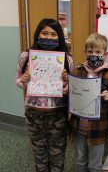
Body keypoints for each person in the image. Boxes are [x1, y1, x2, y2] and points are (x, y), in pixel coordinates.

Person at [15, 18, 74, 172]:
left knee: (58, 159)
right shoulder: (25, 56)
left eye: (53, 34)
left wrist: (67, 82)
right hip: (34, 115)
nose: (49, 37)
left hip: (57, 116)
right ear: (38, 34)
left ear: (59, 37)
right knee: (39, 159)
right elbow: (18, 80)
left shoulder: (67, 60)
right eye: (45, 33)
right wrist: (23, 80)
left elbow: (71, 89)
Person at [68, 33, 108, 172]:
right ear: (85, 53)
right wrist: (67, 91)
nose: (94, 54)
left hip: (98, 129)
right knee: (80, 161)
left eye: (98, 52)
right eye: (90, 51)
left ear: (105, 54)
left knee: (95, 165)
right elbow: (71, 95)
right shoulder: (77, 71)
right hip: (78, 127)